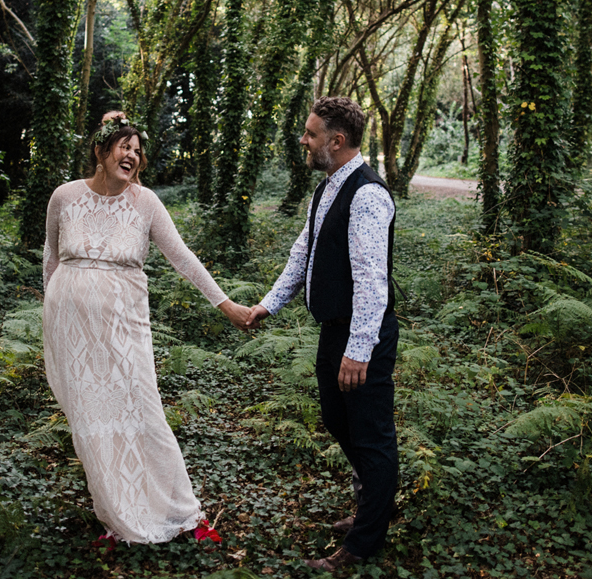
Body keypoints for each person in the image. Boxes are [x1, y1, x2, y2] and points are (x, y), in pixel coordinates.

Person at [41, 111, 255, 546]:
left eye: (138, 150)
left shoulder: (146, 203)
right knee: (91, 422)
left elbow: (183, 258)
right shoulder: (64, 197)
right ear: (101, 151)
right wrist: (51, 311)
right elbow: (51, 257)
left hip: (123, 325)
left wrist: (226, 304)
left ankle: (182, 514)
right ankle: (116, 518)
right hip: (71, 331)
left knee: (142, 411)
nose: (133, 156)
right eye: (125, 146)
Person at [248, 96, 398, 572]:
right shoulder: (326, 189)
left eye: (311, 134)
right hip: (331, 333)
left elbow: (372, 280)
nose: (304, 140)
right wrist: (268, 305)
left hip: (362, 338)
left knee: (371, 437)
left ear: (336, 141)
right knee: (338, 421)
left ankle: (362, 543)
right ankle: (376, 500)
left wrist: (359, 350)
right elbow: (302, 257)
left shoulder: (368, 194)